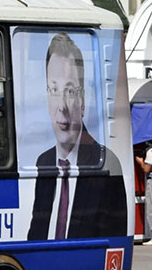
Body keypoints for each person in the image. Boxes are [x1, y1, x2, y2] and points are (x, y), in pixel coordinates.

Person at [27, 33, 127, 240]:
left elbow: (112, 244)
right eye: (54, 90)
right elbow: (35, 236)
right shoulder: (43, 162)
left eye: (70, 91)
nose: (61, 106)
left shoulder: (106, 164)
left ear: (82, 100)